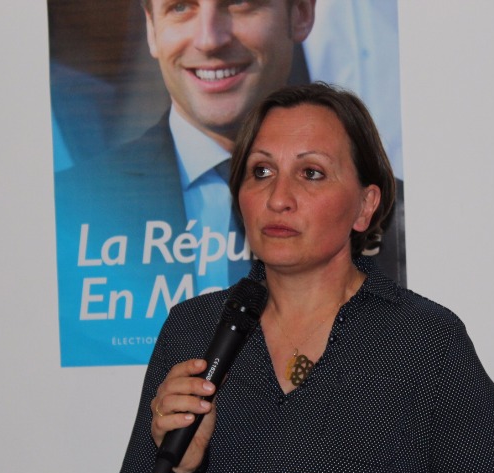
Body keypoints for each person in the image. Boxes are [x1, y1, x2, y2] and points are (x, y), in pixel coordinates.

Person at [104, 83, 494, 473]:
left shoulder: (424, 341)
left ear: (365, 206)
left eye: (311, 173)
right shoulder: (195, 330)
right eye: (261, 172)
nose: (278, 198)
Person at [52, 0, 406, 366]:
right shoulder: (66, 213)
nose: (209, 39)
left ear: (301, 13)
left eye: (240, 4)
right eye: (180, 7)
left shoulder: (402, 220)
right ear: (152, 29)